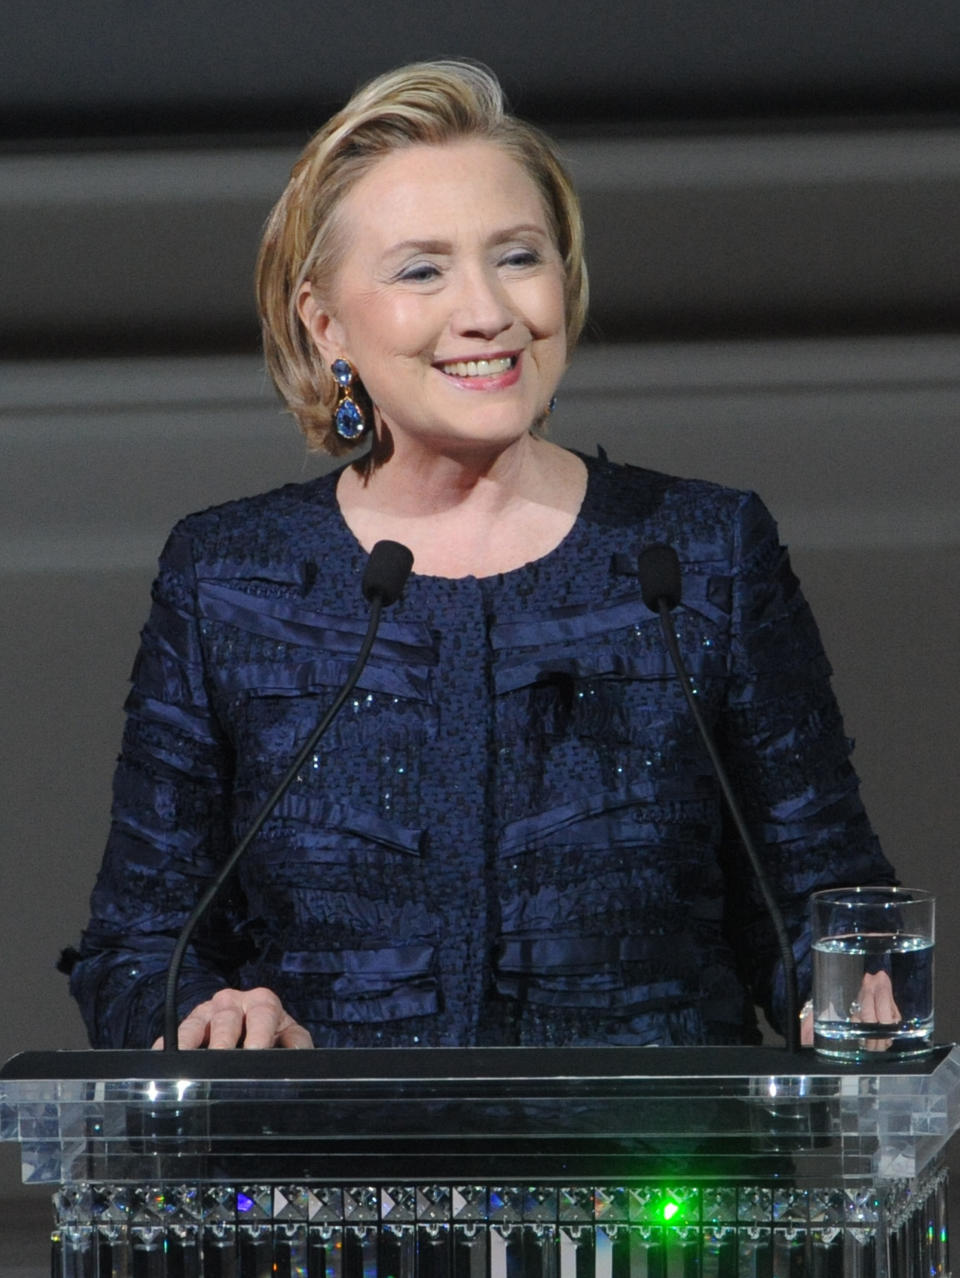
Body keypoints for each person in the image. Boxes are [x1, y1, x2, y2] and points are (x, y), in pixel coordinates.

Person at [63, 60, 895, 1052]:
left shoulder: (700, 553)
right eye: (422, 270)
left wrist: (850, 1001)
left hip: (662, 1190)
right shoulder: (230, 577)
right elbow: (139, 942)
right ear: (326, 324)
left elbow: (825, 911)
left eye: (518, 257)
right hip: (332, 1195)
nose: (488, 312)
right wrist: (205, 1014)